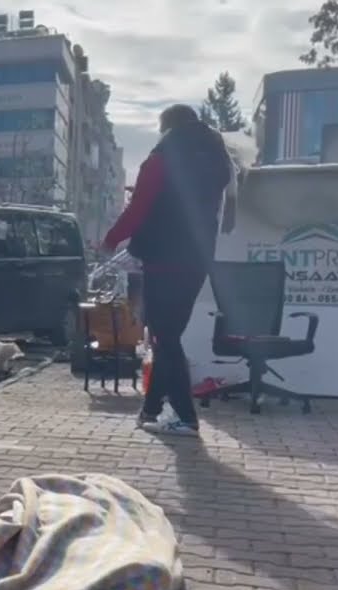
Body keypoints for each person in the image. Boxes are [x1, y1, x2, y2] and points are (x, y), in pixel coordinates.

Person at [102, 103, 233, 437]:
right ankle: (151, 409)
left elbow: (138, 210)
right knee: (166, 337)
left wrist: (110, 240)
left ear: (167, 128)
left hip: (163, 261)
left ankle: (186, 417)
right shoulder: (217, 160)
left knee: (165, 338)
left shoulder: (161, 160)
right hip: (197, 261)